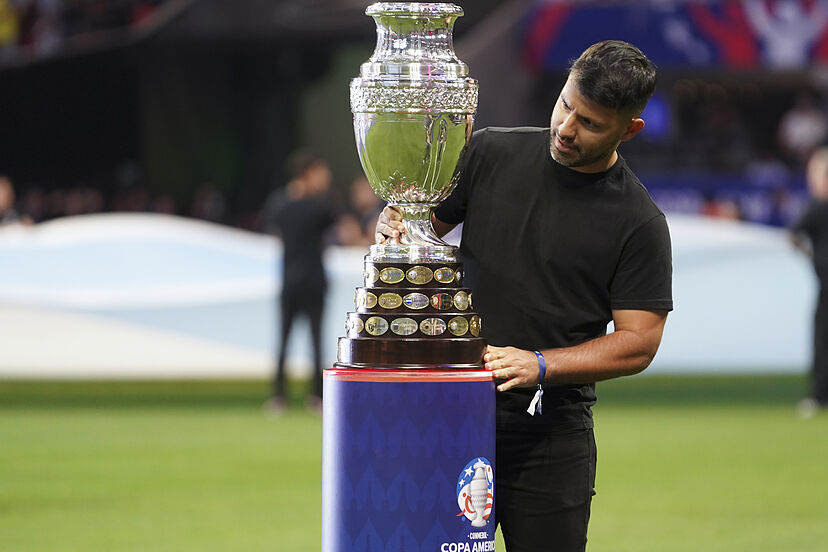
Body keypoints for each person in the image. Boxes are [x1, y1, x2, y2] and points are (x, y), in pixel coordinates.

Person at [376, 40, 672, 551]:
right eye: (565, 105)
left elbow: (639, 342)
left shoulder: (639, 222)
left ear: (630, 130)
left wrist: (541, 364)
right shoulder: (491, 150)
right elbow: (419, 227)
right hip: (451, 415)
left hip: (550, 437)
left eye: (590, 123)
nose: (565, 128)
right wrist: (396, 223)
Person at [262, 150, 337, 414]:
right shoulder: (320, 206)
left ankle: (278, 396)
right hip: (313, 282)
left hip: (291, 281)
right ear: (308, 173)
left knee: (285, 340)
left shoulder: (280, 204)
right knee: (314, 341)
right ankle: (315, 396)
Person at [790, 146, 828, 419]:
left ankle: (818, 396)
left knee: (822, 339)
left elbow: (793, 236)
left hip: (825, 284)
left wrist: (811, 257)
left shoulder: (817, 206)